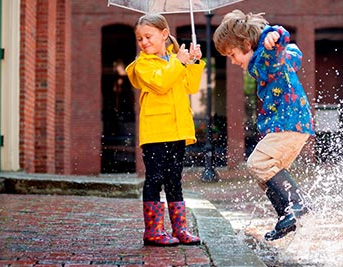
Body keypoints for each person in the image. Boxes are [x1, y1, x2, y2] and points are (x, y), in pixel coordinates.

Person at [213, 10, 315, 241]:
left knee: (257, 162)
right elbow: (294, 53)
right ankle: (285, 216)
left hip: (289, 124)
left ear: (247, 44)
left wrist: (272, 36)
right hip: (293, 124)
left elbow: (280, 39)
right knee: (263, 172)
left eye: (232, 54)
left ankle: (297, 204)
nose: (233, 61)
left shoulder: (262, 61)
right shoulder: (274, 58)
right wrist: (276, 44)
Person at [125, 13, 205, 246]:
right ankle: (153, 230)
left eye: (148, 36)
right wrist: (179, 63)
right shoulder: (142, 65)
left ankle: (180, 229)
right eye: (140, 38)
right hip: (156, 131)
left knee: (174, 180)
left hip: (177, 130)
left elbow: (190, 86)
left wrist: (193, 62)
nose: (143, 42)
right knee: (155, 178)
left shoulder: (174, 60)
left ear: (163, 34)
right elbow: (160, 83)